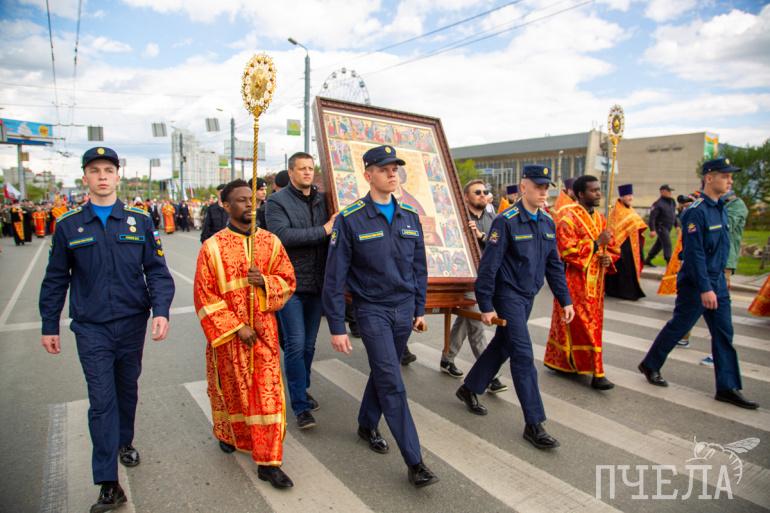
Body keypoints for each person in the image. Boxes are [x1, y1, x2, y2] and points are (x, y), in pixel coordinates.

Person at [39, 147, 175, 511]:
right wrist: (49, 324)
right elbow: (56, 278)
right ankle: (108, 483)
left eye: (108, 170)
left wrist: (161, 311)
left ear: (117, 176)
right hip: (91, 327)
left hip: (131, 322)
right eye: (95, 170)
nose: (102, 176)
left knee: (126, 390)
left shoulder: (139, 221)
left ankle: (124, 441)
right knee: (101, 401)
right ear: (85, 177)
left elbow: (157, 271)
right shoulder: (68, 225)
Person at [323, 144, 439, 488]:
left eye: (395, 168)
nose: (392, 173)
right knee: (392, 380)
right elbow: (334, 278)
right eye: (385, 169)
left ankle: (366, 423)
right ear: (368, 175)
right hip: (371, 309)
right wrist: (337, 326)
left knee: (383, 370)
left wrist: (419, 308)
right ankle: (415, 461)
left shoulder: (409, 216)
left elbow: (419, 267)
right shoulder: (351, 218)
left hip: (404, 308)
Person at [455, 164, 574, 450]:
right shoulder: (506, 221)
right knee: (522, 353)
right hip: (507, 295)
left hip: (528, 294)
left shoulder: (547, 222)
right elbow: (489, 265)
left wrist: (565, 299)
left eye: (546, 187)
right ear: (523, 187)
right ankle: (534, 423)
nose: (543, 192)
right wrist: (486, 304)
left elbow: (554, 265)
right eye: (538, 186)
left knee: (503, 345)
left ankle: (469, 388)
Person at [194, 179, 297, 489]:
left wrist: (265, 281)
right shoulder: (212, 247)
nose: (250, 204)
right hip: (229, 336)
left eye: (252, 199)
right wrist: (237, 327)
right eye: (241, 200)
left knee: (268, 395)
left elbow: (288, 280)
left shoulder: (271, 242)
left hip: (264, 333)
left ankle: (268, 462)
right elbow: (204, 295)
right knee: (232, 391)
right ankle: (229, 434)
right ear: (226, 206)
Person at [638, 158, 758, 409]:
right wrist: (705, 288)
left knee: (724, 333)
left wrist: (720, 281)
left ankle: (727, 387)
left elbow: (722, 247)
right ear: (709, 178)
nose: (730, 181)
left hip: (717, 280)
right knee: (679, 326)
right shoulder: (697, 211)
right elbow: (694, 254)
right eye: (725, 176)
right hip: (697, 283)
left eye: (731, 177)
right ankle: (650, 364)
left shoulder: (721, 208)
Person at [265, 152, 335, 429]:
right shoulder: (276, 201)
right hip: (288, 284)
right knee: (295, 343)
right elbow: (282, 236)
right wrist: (324, 230)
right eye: (302, 168)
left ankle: (301, 388)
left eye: (310, 168)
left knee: (308, 345)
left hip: (317, 283)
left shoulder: (323, 199)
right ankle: (300, 406)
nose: (307, 172)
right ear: (291, 172)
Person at [544, 175, 619, 390]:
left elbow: (612, 247)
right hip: (575, 282)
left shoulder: (601, 219)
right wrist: (595, 244)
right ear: (580, 194)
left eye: (599, 189)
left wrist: (608, 258)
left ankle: (563, 363)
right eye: (593, 190)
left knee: (589, 325)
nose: (598, 193)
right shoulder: (567, 217)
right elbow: (567, 251)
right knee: (585, 326)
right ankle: (597, 373)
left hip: (597, 284)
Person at [441, 178, 507, 393]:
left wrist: (481, 236)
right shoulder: (458, 218)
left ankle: (447, 358)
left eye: (484, 191)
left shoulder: (494, 218)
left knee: (465, 320)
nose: (482, 195)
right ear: (466, 197)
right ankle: (490, 375)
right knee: (477, 323)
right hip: (467, 278)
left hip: (488, 278)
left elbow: (500, 245)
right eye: (477, 192)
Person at [605, 184, 648, 300]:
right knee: (623, 268)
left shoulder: (630, 209)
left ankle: (627, 291)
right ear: (622, 197)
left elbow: (637, 224)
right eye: (628, 195)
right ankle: (619, 291)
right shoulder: (617, 211)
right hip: (621, 245)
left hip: (632, 245)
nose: (630, 198)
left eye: (631, 195)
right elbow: (613, 228)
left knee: (630, 268)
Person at [644, 184, 677, 266]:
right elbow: (652, 218)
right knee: (667, 243)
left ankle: (648, 260)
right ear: (662, 192)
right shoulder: (657, 204)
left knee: (659, 245)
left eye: (670, 191)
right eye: (668, 191)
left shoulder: (672, 202)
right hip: (661, 227)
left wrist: (677, 225)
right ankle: (669, 262)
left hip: (668, 227)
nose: (670, 193)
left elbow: (673, 215)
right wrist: (652, 230)